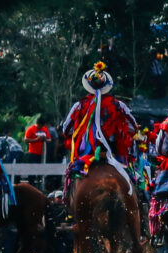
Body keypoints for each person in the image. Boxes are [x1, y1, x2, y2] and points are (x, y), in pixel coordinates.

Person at [59, 62, 140, 197]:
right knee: (132, 175)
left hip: (86, 151)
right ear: (106, 86)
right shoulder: (119, 105)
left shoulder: (79, 105)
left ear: (89, 86)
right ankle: (139, 198)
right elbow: (133, 127)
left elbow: (66, 129)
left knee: (71, 174)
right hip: (114, 151)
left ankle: (66, 200)